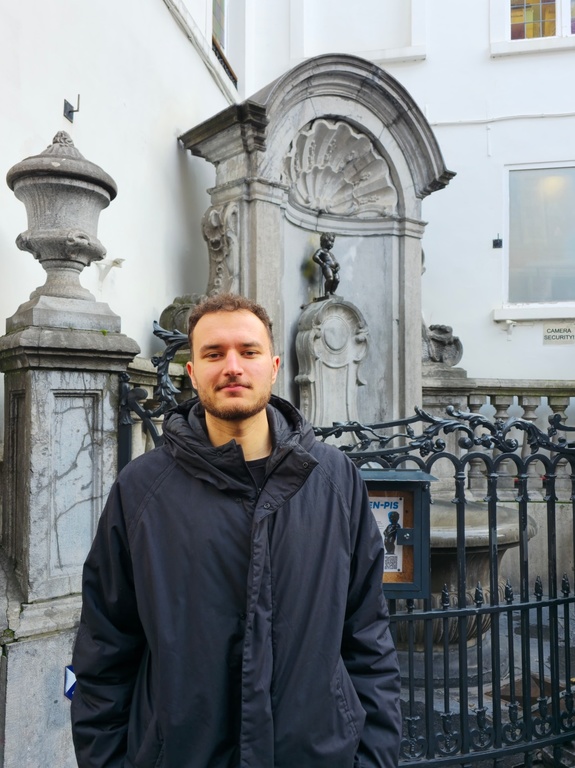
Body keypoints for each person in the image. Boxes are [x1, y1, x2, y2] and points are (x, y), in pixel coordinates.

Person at [71, 292, 402, 768]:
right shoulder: (141, 489)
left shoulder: (334, 479)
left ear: (273, 366)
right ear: (192, 373)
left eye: (248, 351)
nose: (232, 367)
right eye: (214, 353)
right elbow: (105, 648)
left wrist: (373, 758)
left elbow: (367, 635)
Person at [312, 232, 340, 297]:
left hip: (334, 269)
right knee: (330, 279)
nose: (332, 244)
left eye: (333, 242)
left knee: (337, 279)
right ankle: (327, 292)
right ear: (325, 241)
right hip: (327, 267)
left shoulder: (331, 254)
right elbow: (315, 257)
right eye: (331, 241)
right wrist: (322, 263)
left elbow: (335, 261)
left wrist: (338, 266)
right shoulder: (321, 251)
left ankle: (332, 292)